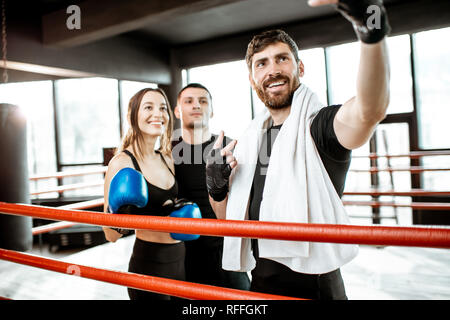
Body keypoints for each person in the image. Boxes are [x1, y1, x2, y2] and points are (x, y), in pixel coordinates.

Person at [206, 0, 391, 300]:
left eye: (282, 59)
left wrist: (371, 32)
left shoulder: (320, 126)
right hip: (261, 284)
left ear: (300, 68)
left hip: (317, 287)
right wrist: (216, 188)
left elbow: (369, 110)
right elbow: (229, 220)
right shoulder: (252, 139)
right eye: (261, 63)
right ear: (252, 78)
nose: (273, 70)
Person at [103, 87, 184, 300]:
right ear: (133, 115)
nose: (157, 114)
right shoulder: (122, 163)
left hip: (180, 260)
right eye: (149, 107)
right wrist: (121, 210)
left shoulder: (167, 159)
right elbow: (109, 235)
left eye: (163, 108)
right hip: (149, 263)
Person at [172, 83, 250, 290]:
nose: (196, 105)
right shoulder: (166, 152)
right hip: (182, 254)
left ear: (212, 110)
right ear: (177, 111)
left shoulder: (230, 147)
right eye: (188, 101)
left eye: (203, 101)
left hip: (226, 251)